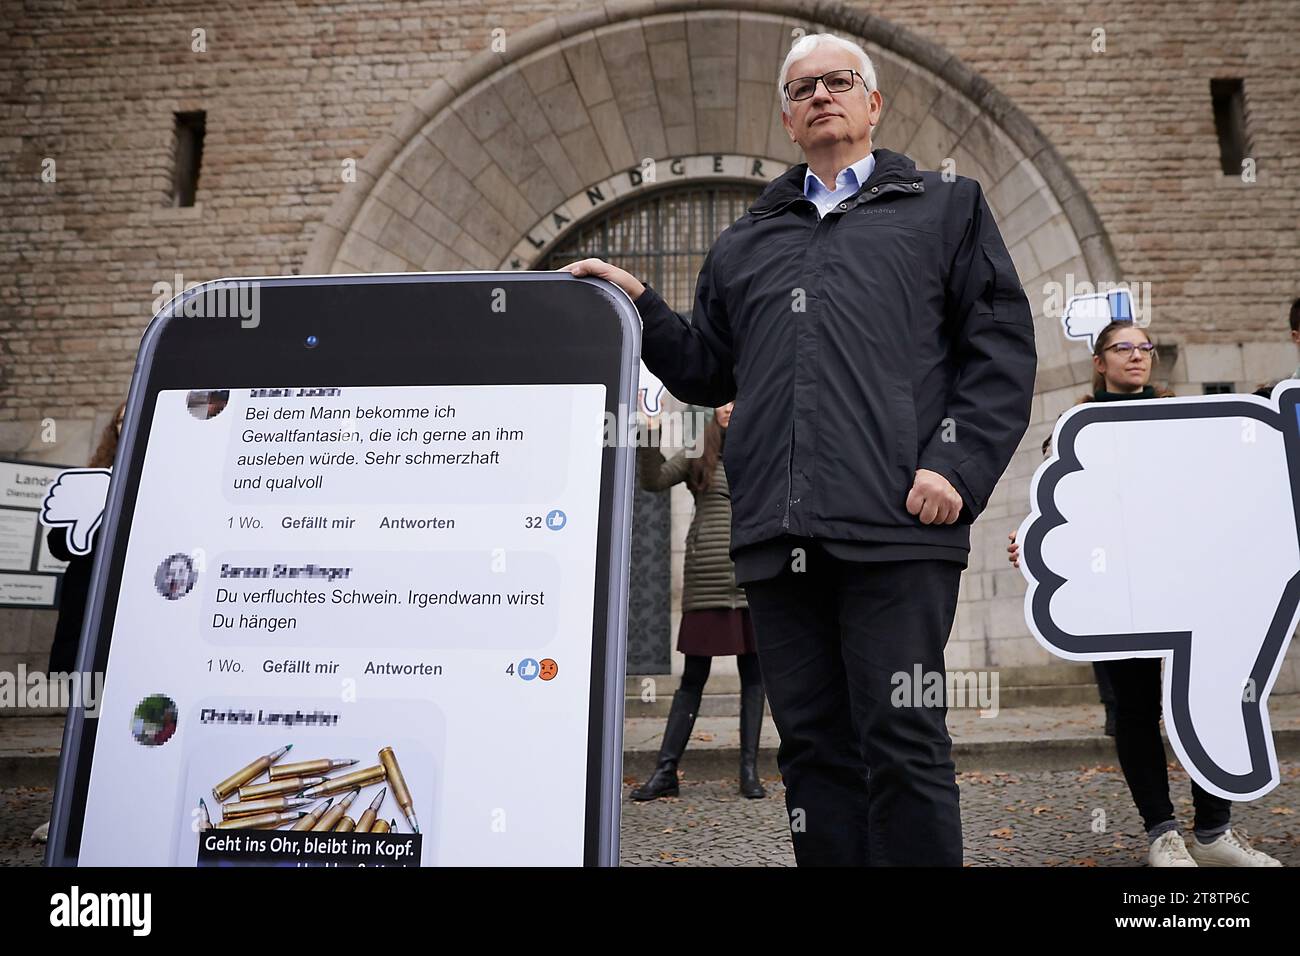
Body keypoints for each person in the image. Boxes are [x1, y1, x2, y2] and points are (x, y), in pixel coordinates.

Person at [564, 32, 1036, 866]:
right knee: (813, 749)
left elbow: (998, 351)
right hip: (777, 543)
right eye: (803, 88)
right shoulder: (746, 242)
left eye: (839, 82)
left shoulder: (945, 208)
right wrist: (641, 306)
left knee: (903, 739)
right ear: (786, 117)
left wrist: (957, 468)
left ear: (873, 105)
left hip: (898, 528)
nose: (821, 95)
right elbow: (709, 371)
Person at [1008, 322, 1281, 867]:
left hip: (1183, 588)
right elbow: (1061, 499)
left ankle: (1213, 831)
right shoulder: (1072, 429)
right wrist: (1031, 540)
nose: (1137, 356)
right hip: (1114, 592)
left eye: (1144, 348)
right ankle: (1163, 833)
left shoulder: (1186, 423)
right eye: (1122, 348)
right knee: (1134, 709)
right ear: (1100, 362)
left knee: (1204, 694)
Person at [630, 402, 767, 801]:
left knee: (755, 678)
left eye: (736, 400)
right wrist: (650, 433)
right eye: (721, 402)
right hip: (705, 580)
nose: (728, 407)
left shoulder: (763, 451)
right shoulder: (697, 453)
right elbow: (653, 481)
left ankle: (749, 772)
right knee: (693, 678)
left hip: (751, 577)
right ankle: (665, 772)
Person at [32, 401, 124, 843]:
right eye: (120, 421)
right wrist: (78, 524)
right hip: (87, 612)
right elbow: (59, 547)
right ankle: (71, 811)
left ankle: (116, 806)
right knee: (84, 716)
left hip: (132, 619)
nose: (127, 425)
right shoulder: (90, 480)